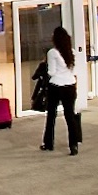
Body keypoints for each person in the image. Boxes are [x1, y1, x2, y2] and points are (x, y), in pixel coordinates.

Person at [40, 25, 81, 156]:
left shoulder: (52, 53)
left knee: (51, 116)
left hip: (56, 86)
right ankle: (73, 145)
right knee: (70, 116)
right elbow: (74, 71)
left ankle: (49, 143)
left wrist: (45, 64)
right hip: (70, 86)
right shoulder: (72, 52)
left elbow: (51, 72)